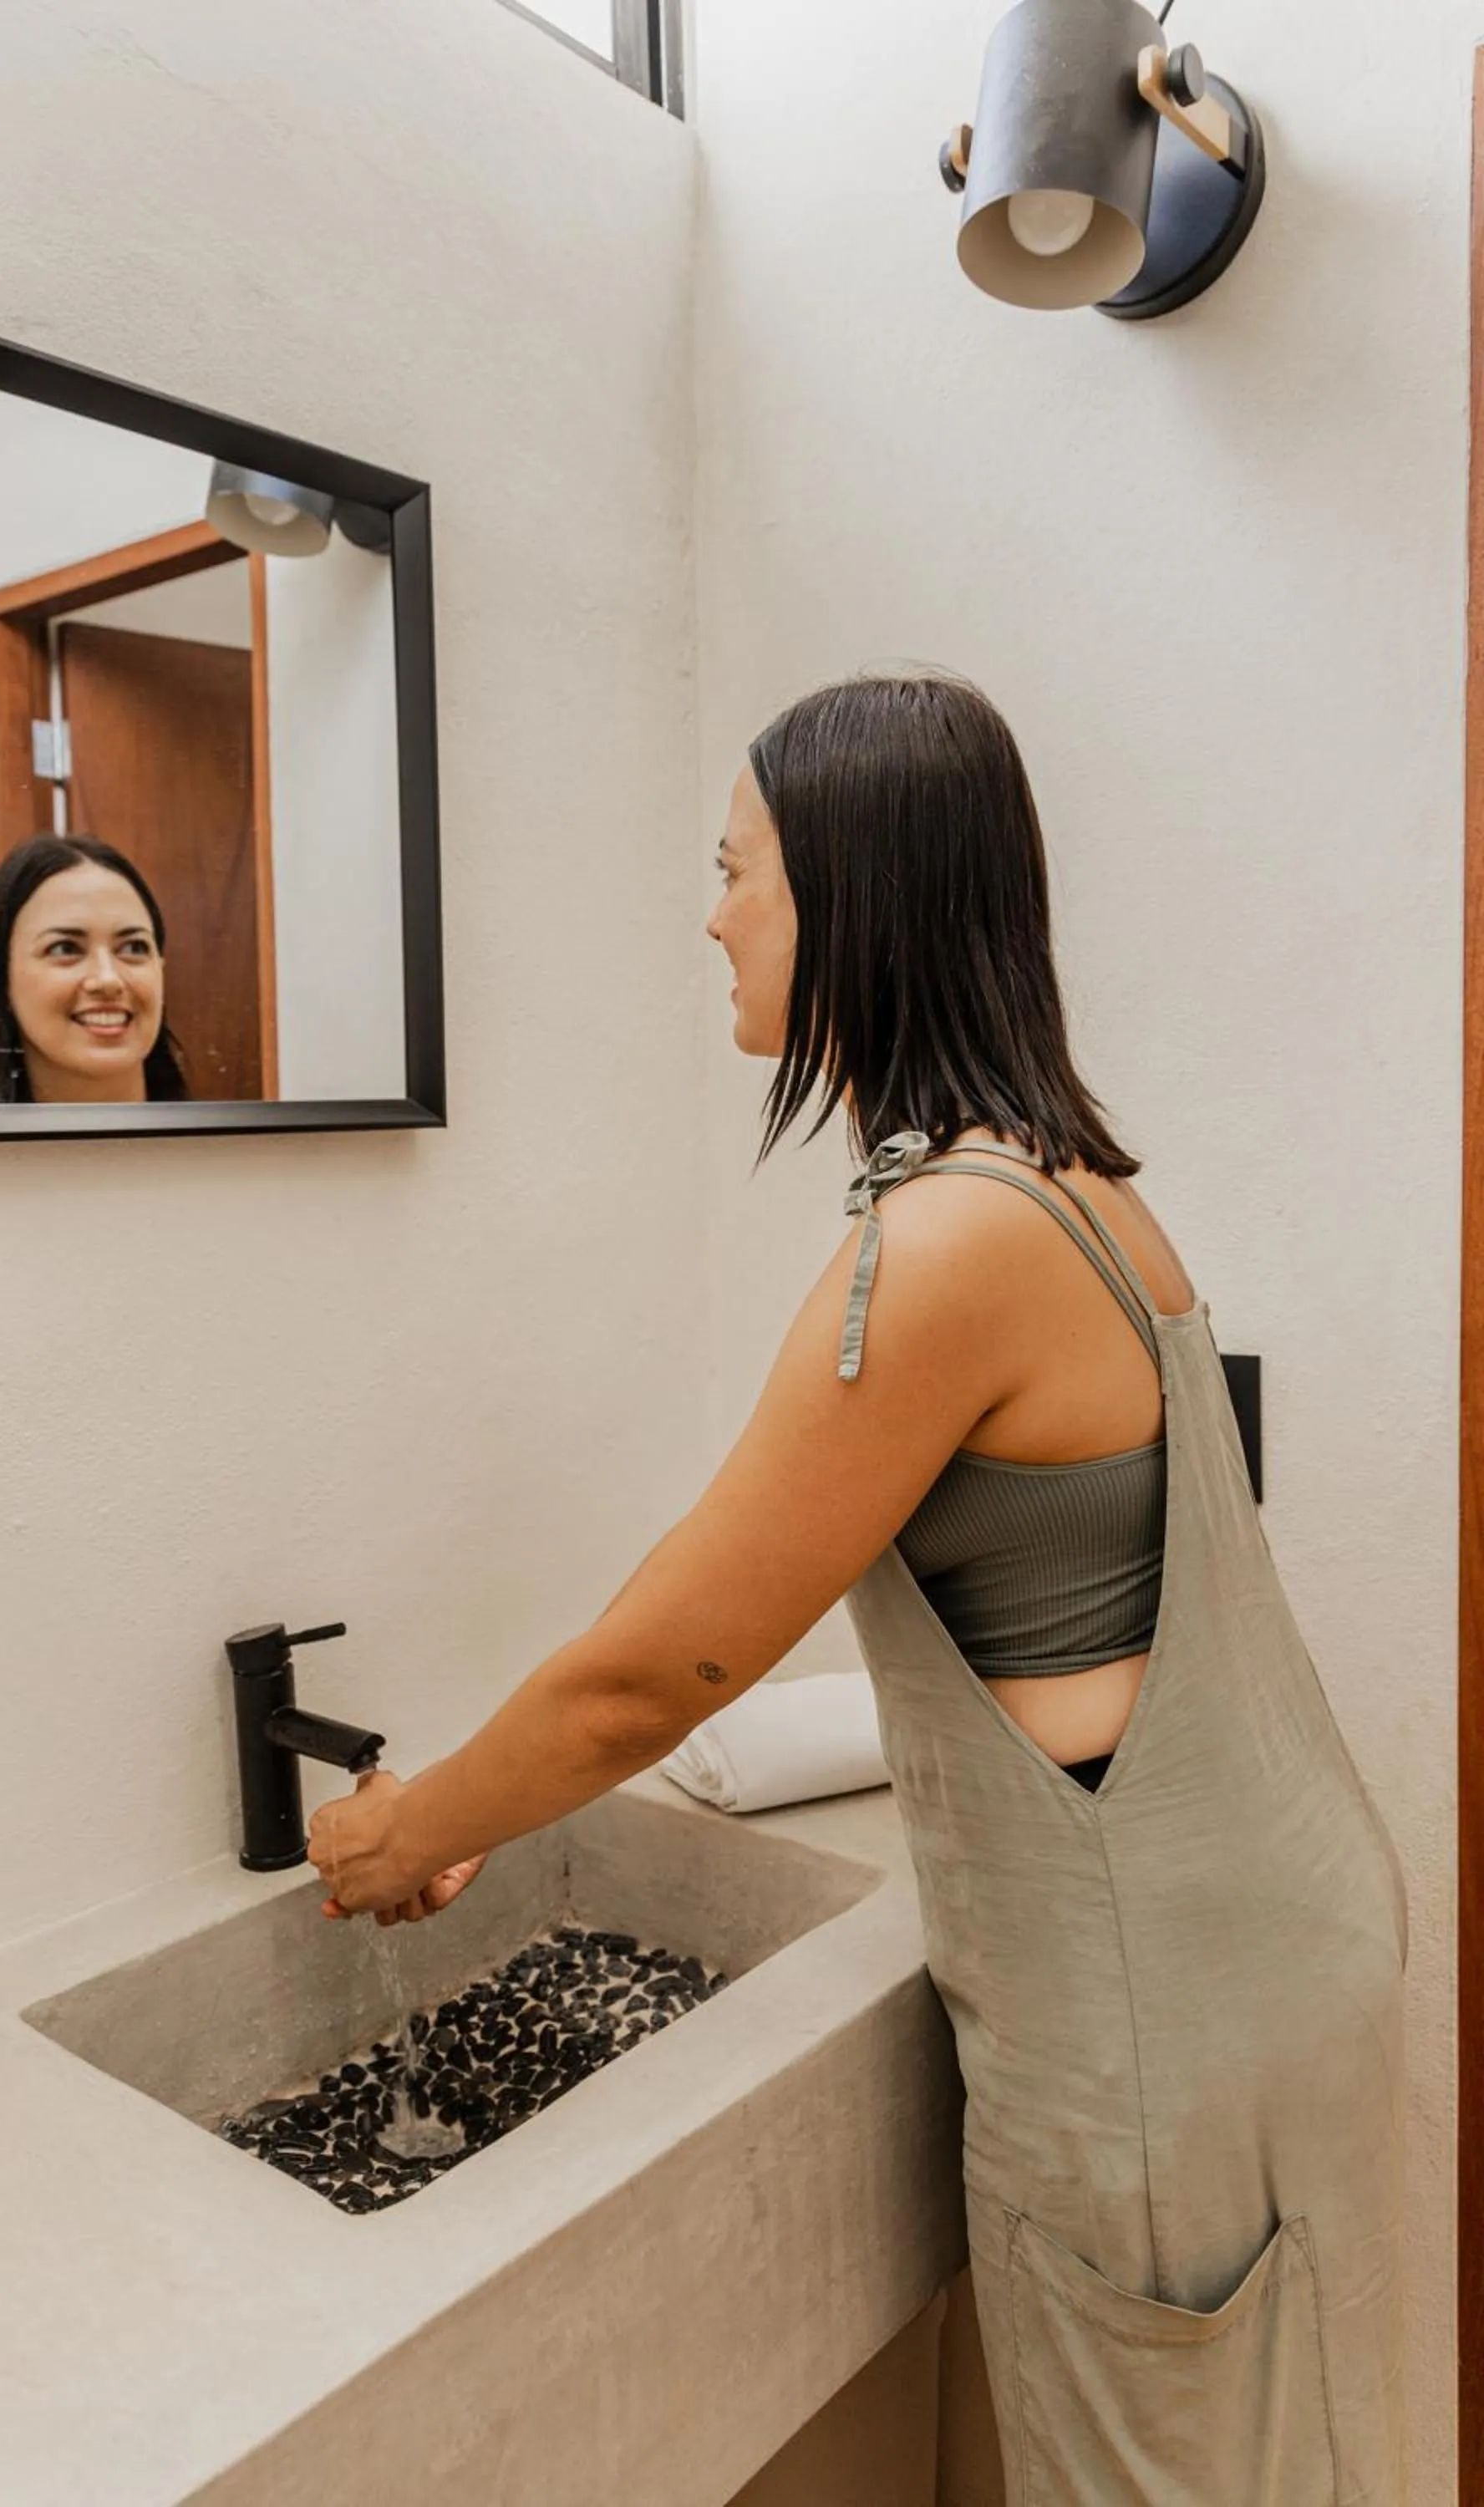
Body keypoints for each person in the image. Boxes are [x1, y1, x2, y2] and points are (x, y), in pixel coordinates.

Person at [307, 672, 1407, 2501]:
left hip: (1147, 2015)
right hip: (1256, 1953)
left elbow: (652, 1674)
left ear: (856, 896)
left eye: (738, 867)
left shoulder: (945, 1245)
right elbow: (713, 1585)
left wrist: (412, 1817)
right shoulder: (1073, 1187)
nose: (713, 909)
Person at [0, 833, 188, 1104]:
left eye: (133, 948)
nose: (108, 979)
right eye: (64, 949)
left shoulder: (229, 1145)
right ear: (1, 977)